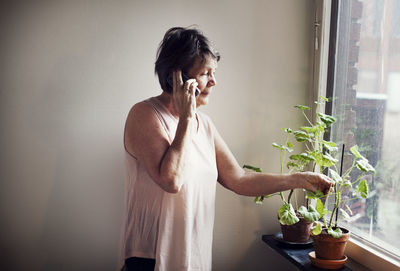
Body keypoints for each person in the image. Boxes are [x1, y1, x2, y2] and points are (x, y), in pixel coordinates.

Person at [119, 26, 333, 271]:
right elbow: (171, 181)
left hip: (192, 254)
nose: (213, 81)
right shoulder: (145, 115)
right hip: (149, 257)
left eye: (214, 72)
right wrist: (186, 119)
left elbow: (239, 179)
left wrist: (299, 179)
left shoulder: (205, 125)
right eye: (205, 73)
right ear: (176, 77)